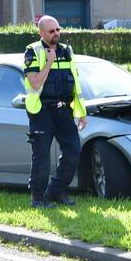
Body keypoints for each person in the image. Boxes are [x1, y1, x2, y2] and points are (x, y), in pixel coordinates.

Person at [23, 15, 87, 208]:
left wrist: (81, 112)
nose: (56, 34)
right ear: (41, 32)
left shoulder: (67, 51)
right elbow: (34, 82)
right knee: (41, 155)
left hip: (64, 110)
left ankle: (56, 191)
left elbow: (74, 82)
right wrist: (49, 62)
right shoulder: (32, 51)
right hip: (42, 111)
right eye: (52, 31)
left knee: (73, 151)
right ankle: (37, 198)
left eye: (58, 29)